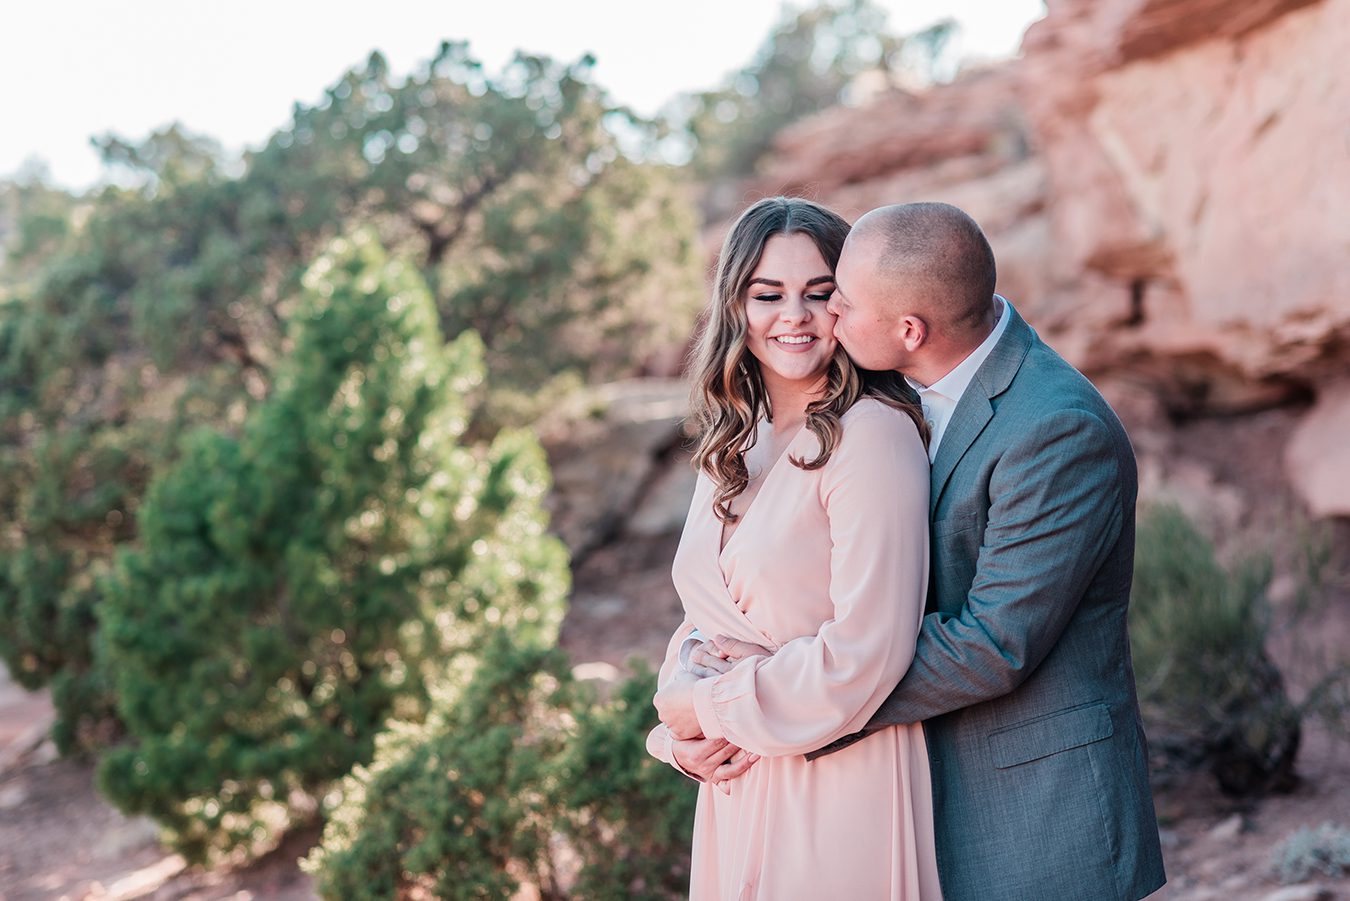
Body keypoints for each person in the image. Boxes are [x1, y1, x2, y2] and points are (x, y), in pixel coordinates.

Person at [698, 202, 1167, 900]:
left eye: (841, 302)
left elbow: (994, 642)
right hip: (911, 793)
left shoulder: (1056, 429)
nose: (826, 319)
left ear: (909, 329)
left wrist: (792, 698)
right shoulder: (894, 392)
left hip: (1037, 812)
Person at [646, 196, 942, 899]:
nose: (795, 316)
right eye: (768, 293)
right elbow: (707, 618)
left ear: (851, 302)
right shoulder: (731, 445)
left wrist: (708, 707)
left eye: (819, 293)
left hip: (838, 776)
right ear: (735, 304)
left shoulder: (873, 435)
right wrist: (678, 728)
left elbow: (868, 652)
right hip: (737, 782)